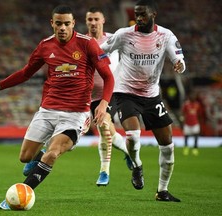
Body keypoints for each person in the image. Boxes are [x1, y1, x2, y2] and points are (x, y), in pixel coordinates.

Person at [0, 5, 114, 210]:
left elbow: (109, 76)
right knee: (25, 157)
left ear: (73, 24)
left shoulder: (88, 44)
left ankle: (22, 192)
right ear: (52, 24)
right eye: (58, 24)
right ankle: (39, 156)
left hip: (75, 115)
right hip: (48, 110)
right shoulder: (45, 46)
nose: (63, 28)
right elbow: (25, 73)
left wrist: (103, 103)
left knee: (53, 153)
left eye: (67, 23)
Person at [100, 0, 185, 202]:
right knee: (133, 135)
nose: (139, 18)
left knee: (168, 145)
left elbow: (178, 58)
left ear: (153, 14)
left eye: (143, 14)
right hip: (126, 92)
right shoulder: (124, 34)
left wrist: (180, 65)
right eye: (137, 14)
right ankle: (137, 166)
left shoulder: (165, 35)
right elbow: (101, 52)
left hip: (151, 95)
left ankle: (162, 191)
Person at [85, 6, 133, 186]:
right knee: (107, 131)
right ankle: (128, 150)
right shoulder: (82, 42)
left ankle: (104, 171)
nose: (93, 23)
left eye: (96, 19)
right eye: (90, 20)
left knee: (104, 125)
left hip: (109, 92)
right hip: (89, 95)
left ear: (103, 21)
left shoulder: (114, 40)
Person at [181, 91, 202, 156]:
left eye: (194, 96)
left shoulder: (197, 104)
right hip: (187, 123)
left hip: (195, 123)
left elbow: (200, 114)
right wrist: (182, 120)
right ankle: (186, 148)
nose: (192, 97)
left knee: (196, 136)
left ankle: (195, 149)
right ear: (189, 97)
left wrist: (199, 122)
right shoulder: (186, 104)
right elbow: (183, 113)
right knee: (186, 136)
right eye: (191, 96)